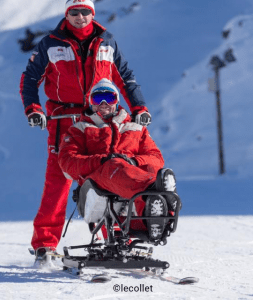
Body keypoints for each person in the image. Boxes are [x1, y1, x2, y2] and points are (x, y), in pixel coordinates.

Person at [19, 0, 152, 263]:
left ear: (93, 13)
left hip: (99, 119)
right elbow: (30, 78)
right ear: (66, 14)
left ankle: (117, 237)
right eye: (74, 12)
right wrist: (33, 109)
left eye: (85, 12)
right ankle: (45, 245)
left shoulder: (106, 42)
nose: (80, 17)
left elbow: (125, 77)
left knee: (107, 175)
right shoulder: (51, 44)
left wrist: (139, 106)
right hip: (63, 120)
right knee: (58, 182)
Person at [58, 79, 181, 241]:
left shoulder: (135, 128)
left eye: (109, 98)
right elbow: (68, 162)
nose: (103, 103)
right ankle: (158, 191)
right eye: (97, 99)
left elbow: (156, 158)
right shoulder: (80, 129)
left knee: (152, 169)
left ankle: (155, 223)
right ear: (90, 103)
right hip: (95, 184)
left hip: (130, 182)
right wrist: (101, 161)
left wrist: (134, 162)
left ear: (116, 101)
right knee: (114, 165)